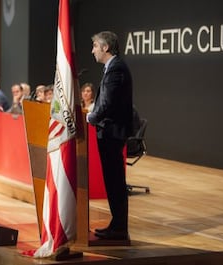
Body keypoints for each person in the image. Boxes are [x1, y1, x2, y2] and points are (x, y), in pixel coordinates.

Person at [86, 31, 133, 242]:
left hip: (112, 133)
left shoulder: (116, 69)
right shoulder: (112, 68)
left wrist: (90, 117)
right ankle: (116, 225)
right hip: (109, 132)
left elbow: (107, 104)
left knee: (115, 182)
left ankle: (120, 229)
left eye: (95, 45)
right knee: (112, 181)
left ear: (105, 48)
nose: (92, 50)